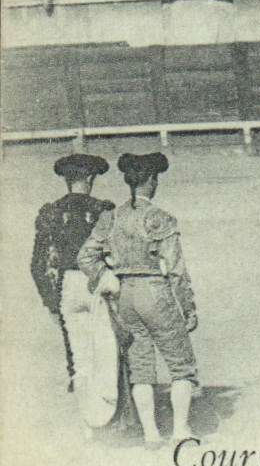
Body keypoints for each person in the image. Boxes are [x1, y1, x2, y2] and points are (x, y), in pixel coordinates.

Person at [77, 153, 200, 447]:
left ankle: (151, 434)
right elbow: (176, 270)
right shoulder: (160, 218)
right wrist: (189, 307)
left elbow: (85, 257)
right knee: (180, 363)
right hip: (155, 291)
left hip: (124, 295)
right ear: (153, 181)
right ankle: (181, 430)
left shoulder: (111, 217)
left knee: (141, 365)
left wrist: (106, 278)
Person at [31, 154, 120, 403]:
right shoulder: (103, 209)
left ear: (66, 180)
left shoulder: (52, 212)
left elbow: (38, 264)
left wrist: (50, 302)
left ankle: (87, 425)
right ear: (91, 178)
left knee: (78, 358)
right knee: (108, 350)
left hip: (66, 287)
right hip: (98, 282)